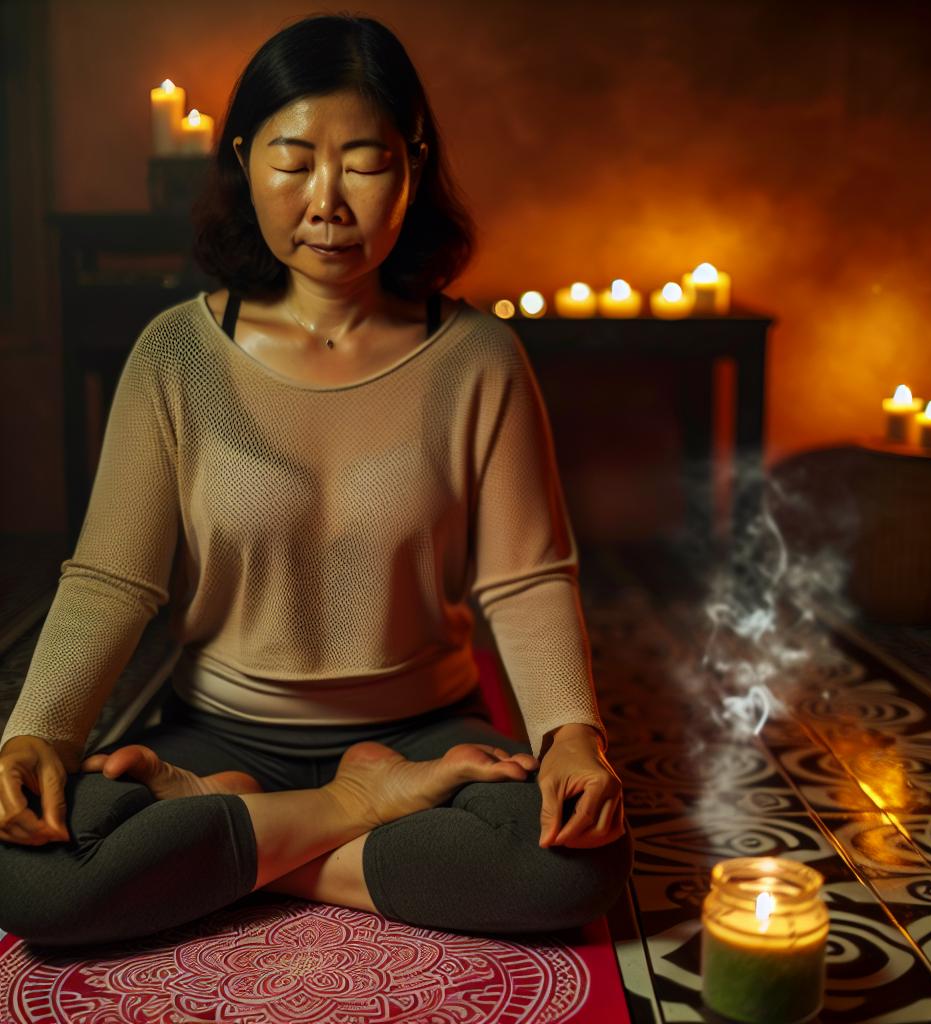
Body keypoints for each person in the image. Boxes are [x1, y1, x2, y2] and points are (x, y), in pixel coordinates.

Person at [0, 12, 633, 949]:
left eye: (365, 162)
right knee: (32, 873)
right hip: (220, 736)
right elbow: (110, 581)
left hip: (422, 732)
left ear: (414, 164)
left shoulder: (479, 358)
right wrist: (39, 735)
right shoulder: (177, 354)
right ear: (244, 159)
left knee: (570, 863)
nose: (327, 200)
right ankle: (351, 810)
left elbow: (527, 579)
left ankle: (243, 841)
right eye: (293, 161)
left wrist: (571, 736)